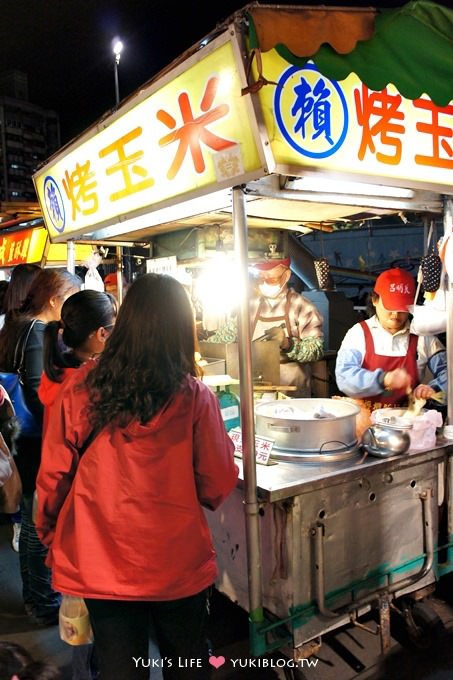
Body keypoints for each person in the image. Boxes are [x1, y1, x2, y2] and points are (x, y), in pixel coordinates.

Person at [36, 273, 238, 680]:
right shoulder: (196, 397)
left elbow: (52, 478)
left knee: (119, 666)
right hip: (176, 564)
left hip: (99, 561)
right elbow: (217, 486)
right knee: (187, 663)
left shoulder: (78, 390)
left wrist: (49, 534)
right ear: (182, 328)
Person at [38, 290, 116, 680]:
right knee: (101, 628)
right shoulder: (89, 386)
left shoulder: (56, 377)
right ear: (102, 334)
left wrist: (49, 529)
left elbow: (52, 473)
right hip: (89, 520)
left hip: (70, 521)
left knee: (82, 624)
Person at [0, 268, 82, 626]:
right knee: (36, 521)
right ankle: (40, 600)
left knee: (31, 518)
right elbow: (37, 392)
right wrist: (62, 432)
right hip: (33, 438)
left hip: (16, 433)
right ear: (54, 299)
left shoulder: (15, 325)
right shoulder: (35, 331)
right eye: (69, 299)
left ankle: (36, 595)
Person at [206, 257, 324, 396]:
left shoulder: (303, 307)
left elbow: (316, 350)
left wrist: (288, 344)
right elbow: (226, 335)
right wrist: (200, 348)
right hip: (255, 388)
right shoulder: (249, 307)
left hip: (291, 393)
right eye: (261, 278)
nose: (264, 283)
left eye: (270, 279)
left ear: (286, 276)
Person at [335, 267, 447, 410]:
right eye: (390, 306)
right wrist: (383, 379)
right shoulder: (358, 334)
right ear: (374, 300)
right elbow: (344, 377)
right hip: (365, 422)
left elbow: (449, 373)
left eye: (401, 308)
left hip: (406, 423)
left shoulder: (424, 338)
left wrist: (434, 389)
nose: (395, 314)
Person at [0, 263, 41, 551]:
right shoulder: (33, 328)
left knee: (15, 474)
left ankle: (18, 527)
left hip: (7, 412)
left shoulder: (8, 323)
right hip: (24, 417)